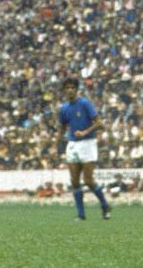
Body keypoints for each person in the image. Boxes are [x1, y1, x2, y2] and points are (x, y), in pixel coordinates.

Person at [56, 77, 111, 221]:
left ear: (76, 89)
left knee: (88, 180)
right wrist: (57, 143)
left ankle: (104, 205)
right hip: (73, 144)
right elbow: (62, 127)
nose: (69, 90)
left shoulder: (85, 104)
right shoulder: (64, 109)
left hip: (88, 143)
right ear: (64, 91)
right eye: (67, 88)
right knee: (74, 181)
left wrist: (85, 132)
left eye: (72, 88)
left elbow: (99, 123)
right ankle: (81, 215)